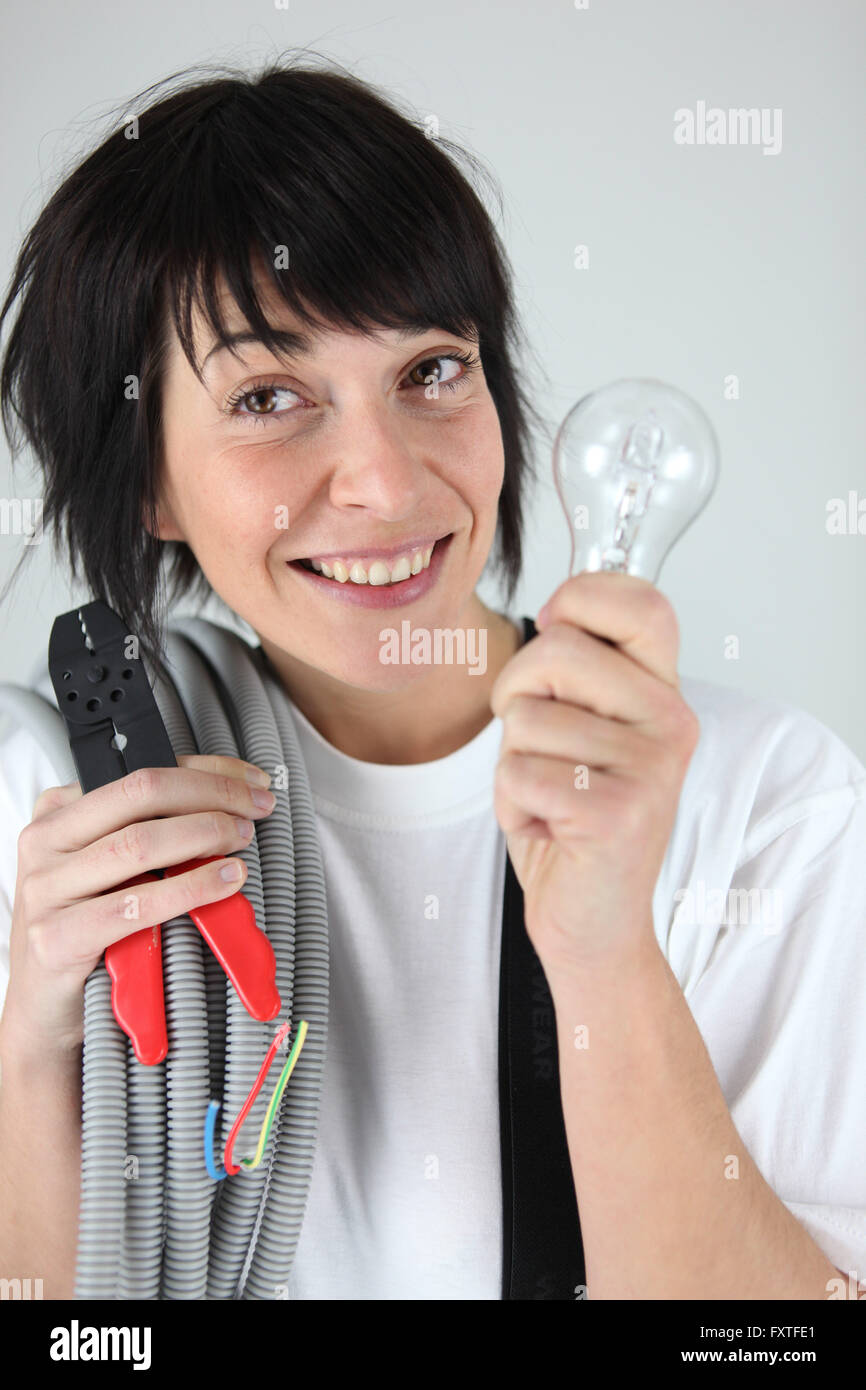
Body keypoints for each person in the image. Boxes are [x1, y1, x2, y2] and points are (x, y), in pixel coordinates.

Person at [0, 54, 864, 1303]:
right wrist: (33, 1042)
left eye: (430, 372)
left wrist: (605, 951)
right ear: (144, 478)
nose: (387, 484)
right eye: (268, 395)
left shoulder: (762, 807)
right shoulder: (52, 807)